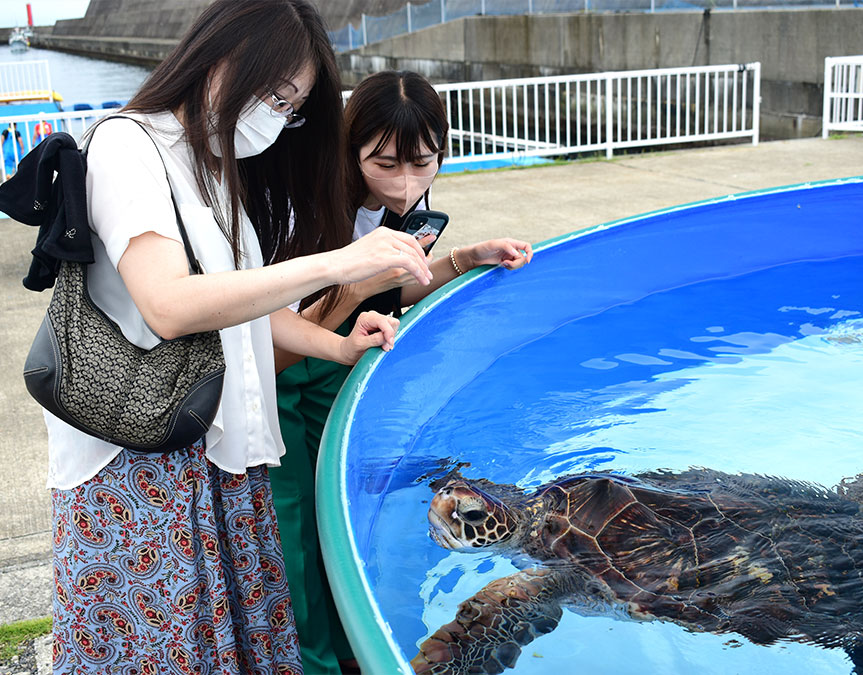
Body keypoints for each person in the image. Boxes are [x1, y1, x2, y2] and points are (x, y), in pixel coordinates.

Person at [47, 3, 432, 674]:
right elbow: (168, 304)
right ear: (219, 55)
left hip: (219, 456)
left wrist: (338, 346)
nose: (275, 118)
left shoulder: (212, 164)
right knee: (163, 648)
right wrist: (341, 261)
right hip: (144, 469)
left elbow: (238, 306)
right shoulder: (127, 143)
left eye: (290, 107)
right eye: (273, 94)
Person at [268, 70, 534, 674]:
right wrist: (359, 286)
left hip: (347, 392)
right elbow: (272, 348)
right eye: (385, 163)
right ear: (350, 150)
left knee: (358, 542)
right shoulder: (303, 212)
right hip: (284, 402)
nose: (406, 182)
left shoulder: (405, 210)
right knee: (301, 553)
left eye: (423, 162)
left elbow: (392, 294)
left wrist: (462, 260)